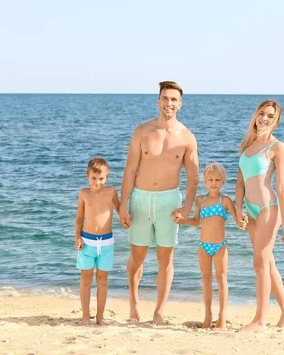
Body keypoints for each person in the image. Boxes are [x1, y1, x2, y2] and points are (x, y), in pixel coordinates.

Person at [119, 81, 199, 325]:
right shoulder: (142, 132)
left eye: (174, 99)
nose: (169, 103)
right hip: (141, 199)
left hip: (169, 202)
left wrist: (186, 207)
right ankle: (134, 306)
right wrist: (123, 205)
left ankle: (159, 312)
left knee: (166, 259)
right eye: (165, 98)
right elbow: (130, 169)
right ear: (158, 101)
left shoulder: (187, 137)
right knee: (137, 256)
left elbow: (193, 177)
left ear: (180, 104)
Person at [235, 99, 284, 331]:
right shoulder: (246, 145)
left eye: (270, 116)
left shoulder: (276, 147)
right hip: (250, 211)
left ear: (276, 121)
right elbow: (240, 182)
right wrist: (238, 209)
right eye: (262, 114)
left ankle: (260, 320)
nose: (264, 119)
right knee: (267, 263)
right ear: (256, 115)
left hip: (269, 209)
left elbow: (281, 186)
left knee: (259, 263)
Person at [175, 162, 248, 329]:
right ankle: (207, 317)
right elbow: (195, 221)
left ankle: (222, 317)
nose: (213, 183)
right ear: (205, 181)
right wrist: (182, 219)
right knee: (206, 280)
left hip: (220, 246)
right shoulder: (201, 200)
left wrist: (244, 223)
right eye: (210, 180)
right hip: (203, 246)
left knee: (222, 280)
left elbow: (239, 222)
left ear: (222, 182)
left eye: (217, 180)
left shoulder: (226, 201)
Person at [75, 157, 120, 326]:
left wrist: (126, 219)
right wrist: (77, 237)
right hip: (87, 241)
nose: (97, 182)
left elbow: (119, 209)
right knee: (86, 280)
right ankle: (85, 316)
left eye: (101, 179)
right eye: (93, 178)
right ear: (88, 176)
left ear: (106, 177)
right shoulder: (84, 193)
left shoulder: (111, 191)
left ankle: (100, 316)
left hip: (106, 242)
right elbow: (79, 218)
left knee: (102, 280)